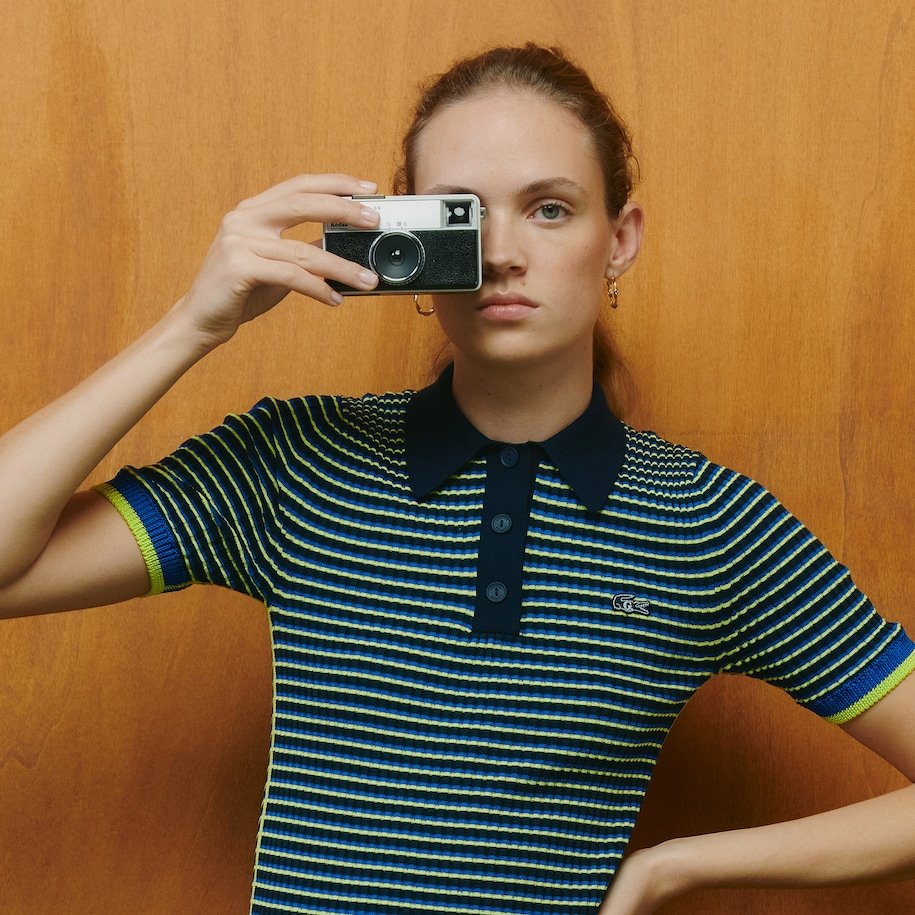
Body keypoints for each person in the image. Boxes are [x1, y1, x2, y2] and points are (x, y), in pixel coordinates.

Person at [1, 42, 913, 915]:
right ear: (401, 239)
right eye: (461, 216)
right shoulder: (295, 462)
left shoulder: (712, 523)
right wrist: (191, 327)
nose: (504, 253)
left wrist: (674, 867)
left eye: (550, 208)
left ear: (619, 238)